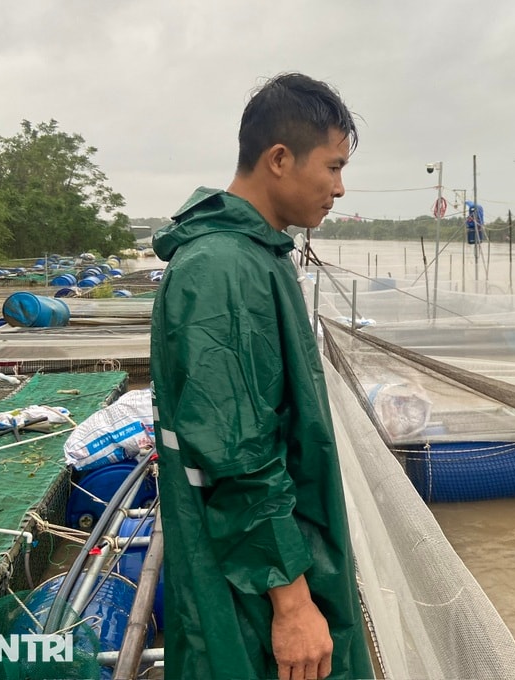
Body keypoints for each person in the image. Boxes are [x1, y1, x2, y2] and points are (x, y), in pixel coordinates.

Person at [149, 73, 374, 680]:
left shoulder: (256, 254)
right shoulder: (220, 270)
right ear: (279, 159)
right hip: (251, 584)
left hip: (279, 559)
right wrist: (293, 603)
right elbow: (236, 454)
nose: (339, 187)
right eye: (332, 167)